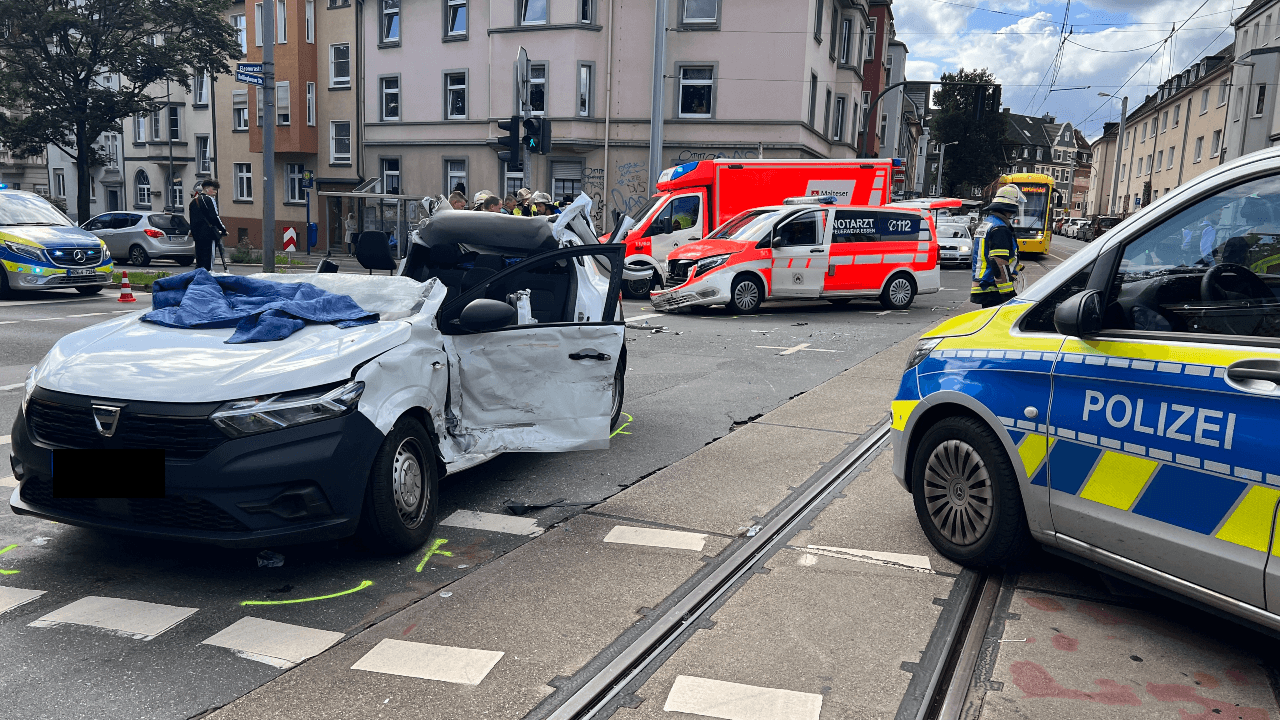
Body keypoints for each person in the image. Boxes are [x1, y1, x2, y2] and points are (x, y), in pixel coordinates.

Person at [971, 184, 1023, 308]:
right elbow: (998, 262)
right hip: (994, 289)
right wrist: (1008, 293)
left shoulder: (988, 223)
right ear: (1011, 206)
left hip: (984, 285)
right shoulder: (1000, 228)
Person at [188, 179, 226, 272]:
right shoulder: (209, 199)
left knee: (200, 257)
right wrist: (223, 229)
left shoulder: (194, 201)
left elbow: (192, 219)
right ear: (206, 189)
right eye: (214, 189)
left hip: (197, 234)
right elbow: (215, 217)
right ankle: (207, 275)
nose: (215, 192)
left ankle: (198, 276)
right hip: (208, 234)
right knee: (209, 258)